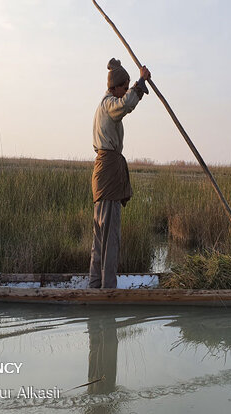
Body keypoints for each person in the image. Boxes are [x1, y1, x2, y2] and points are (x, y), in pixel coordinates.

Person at [89, 58, 151, 288]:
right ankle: (106, 289)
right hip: (108, 174)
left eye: (127, 88)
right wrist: (141, 82)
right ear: (114, 87)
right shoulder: (109, 104)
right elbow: (126, 104)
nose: (125, 92)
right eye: (123, 88)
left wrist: (138, 85)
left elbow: (125, 103)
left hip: (106, 174)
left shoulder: (105, 105)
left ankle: (96, 285)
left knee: (102, 237)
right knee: (109, 237)